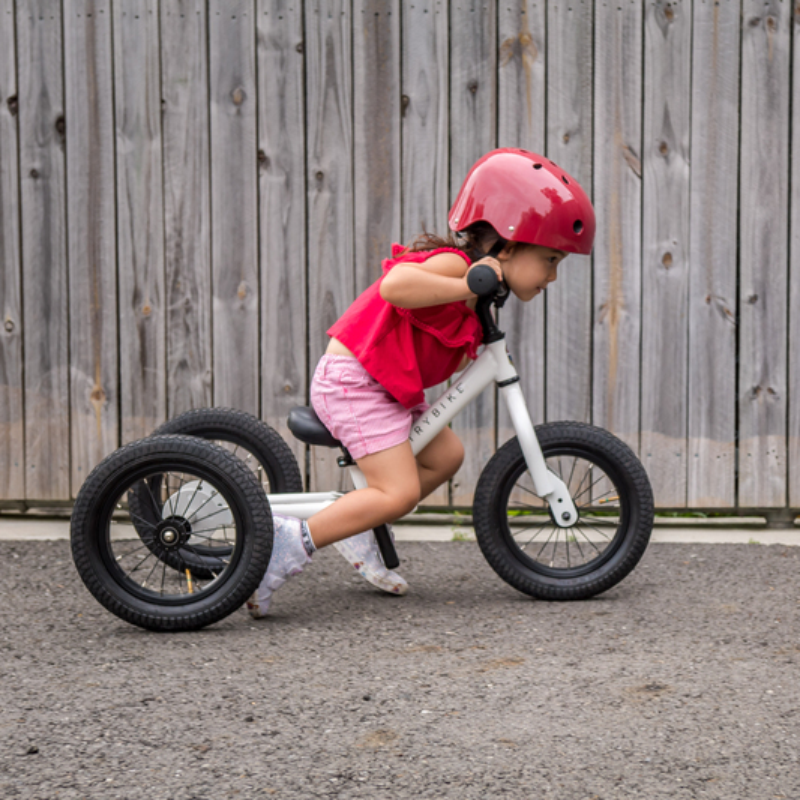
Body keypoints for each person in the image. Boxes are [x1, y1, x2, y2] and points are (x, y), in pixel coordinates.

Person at [247, 148, 596, 617]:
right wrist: (467, 285)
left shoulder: (483, 290)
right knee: (399, 492)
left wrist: (477, 298)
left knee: (447, 455)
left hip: (387, 391)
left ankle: (358, 526)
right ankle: (286, 545)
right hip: (355, 382)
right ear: (508, 245)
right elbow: (396, 287)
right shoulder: (456, 267)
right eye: (550, 259)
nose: (553, 275)